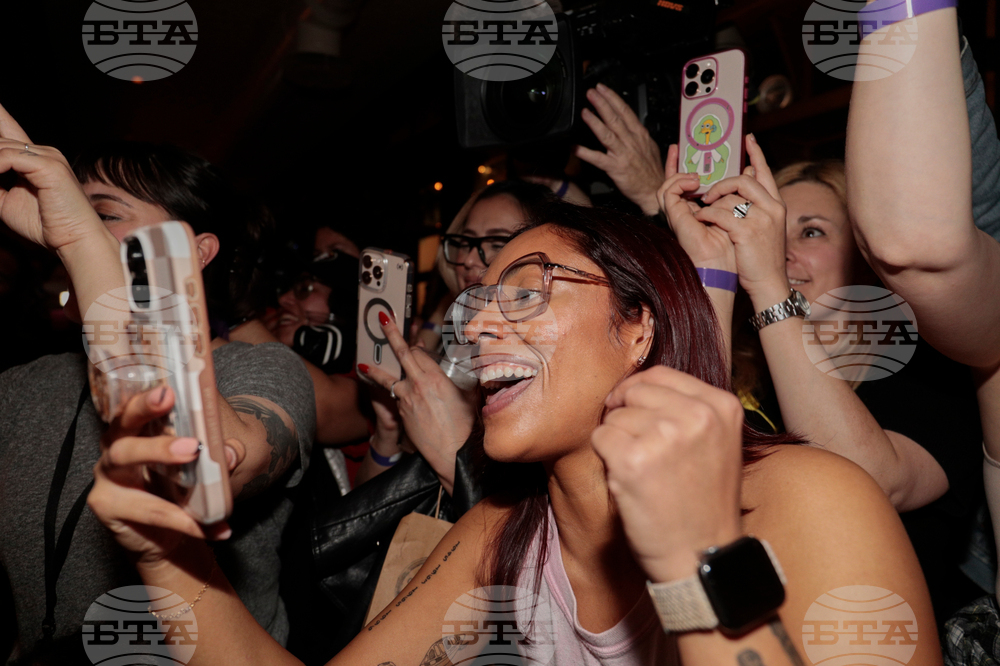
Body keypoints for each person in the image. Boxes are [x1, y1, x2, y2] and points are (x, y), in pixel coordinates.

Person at [89, 197, 939, 664]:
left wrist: (691, 563)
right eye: (476, 302)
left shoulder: (814, 498)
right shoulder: (507, 532)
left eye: (526, 289)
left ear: (639, 326)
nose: (480, 327)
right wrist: (168, 555)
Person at [0, 112, 315, 661]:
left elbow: (207, 465)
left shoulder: (262, 369)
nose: (70, 225)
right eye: (78, 212)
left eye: (104, 214)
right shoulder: (22, 387)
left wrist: (80, 237)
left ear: (195, 251)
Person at [659, 134, 984, 626]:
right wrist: (714, 272)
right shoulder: (745, 378)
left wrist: (769, 283)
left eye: (810, 232)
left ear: (867, 258)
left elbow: (868, 484)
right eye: (772, 230)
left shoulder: (933, 366)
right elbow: (673, 479)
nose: (782, 250)